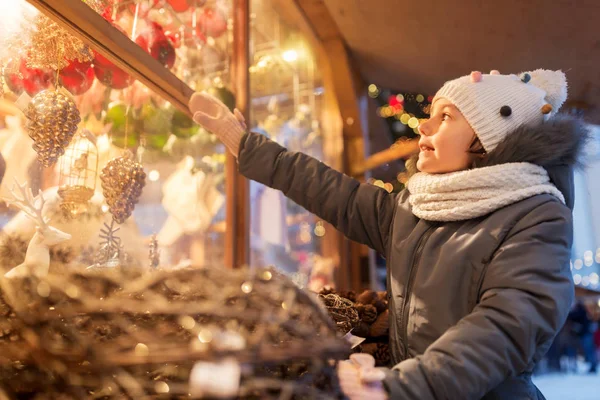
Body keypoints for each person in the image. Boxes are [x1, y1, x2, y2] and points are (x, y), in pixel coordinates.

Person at [189, 69, 588, 399]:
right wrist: (247, 146)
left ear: (488, 140)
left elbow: (506, 326)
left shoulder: (536, 216)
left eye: (446, 117)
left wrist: (405, 387)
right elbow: (335, 193)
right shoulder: (415, 208)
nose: (426, 124)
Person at [568, 301, 598, 373]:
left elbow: (573, 316)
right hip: (586, 334)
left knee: (589, 350)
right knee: (589, 350)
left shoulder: (581, 311)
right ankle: (593, 366)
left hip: (585, 334)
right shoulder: (584, 312)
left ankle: (593, 366)